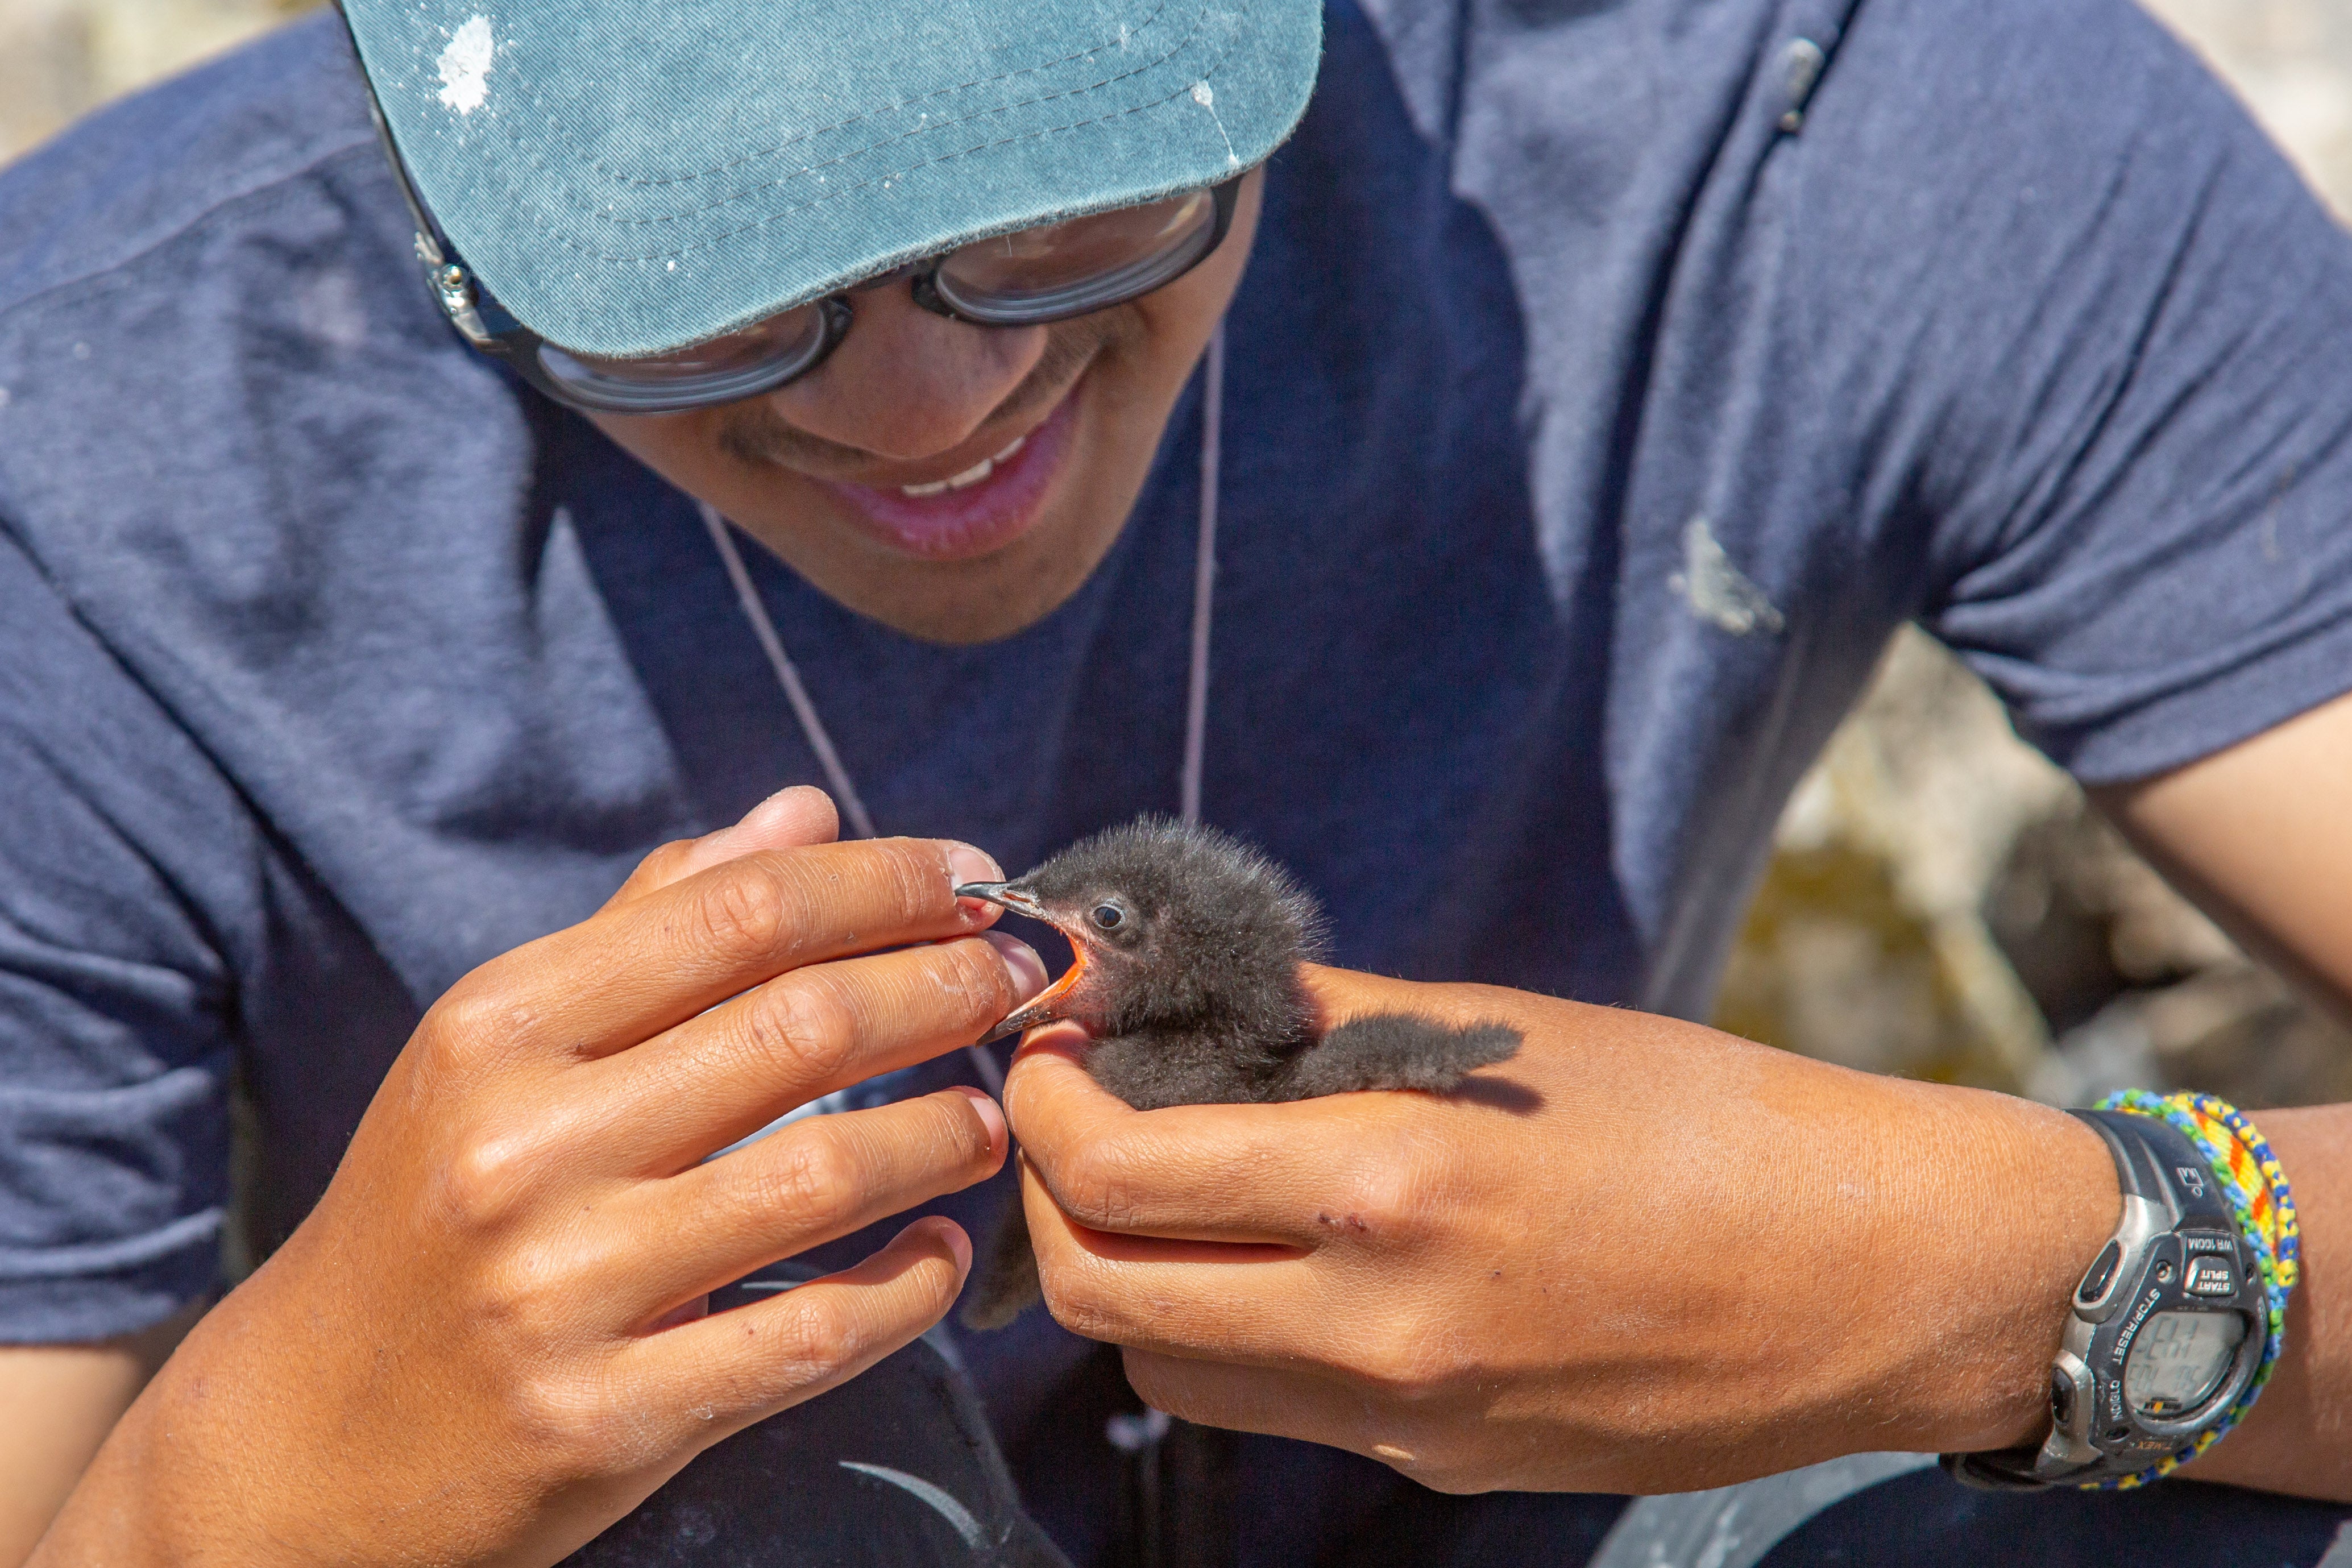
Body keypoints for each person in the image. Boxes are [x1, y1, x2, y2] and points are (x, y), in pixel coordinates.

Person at [4, 0, 2352, 1559]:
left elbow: (2059, 1303)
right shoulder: (80, 444)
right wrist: (271, 1483)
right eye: (701, 277)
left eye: (1071, 203)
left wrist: (2005, 1273)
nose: (924, 419)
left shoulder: (1825, 117)